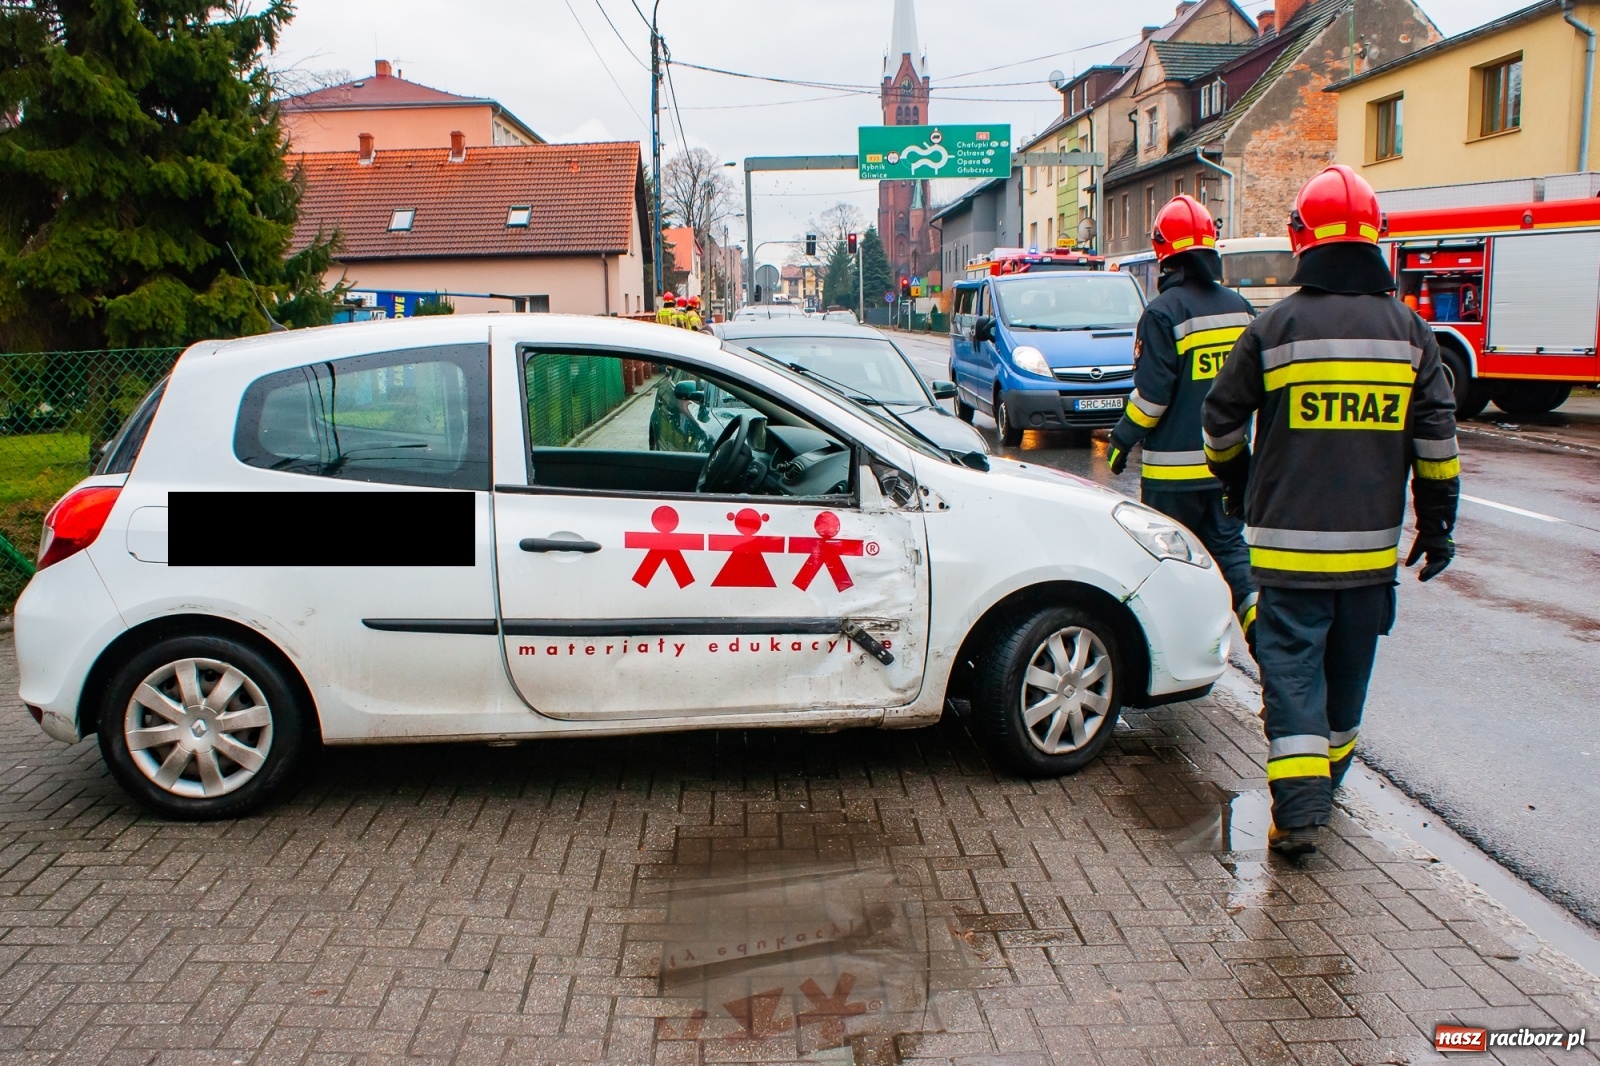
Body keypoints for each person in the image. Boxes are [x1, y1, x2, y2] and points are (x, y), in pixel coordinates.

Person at [1201, 164, 1459, 857]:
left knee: (1291, 684)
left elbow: (1220, 423)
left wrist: (1239, 483)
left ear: (1300, 240)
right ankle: (1328, 782)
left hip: (1286, 561)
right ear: (1376, 240)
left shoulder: (1275, 329)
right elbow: (1438, 443)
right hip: (1369, 565)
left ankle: (1303, 805)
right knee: (1345, 686)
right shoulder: (1411, 334)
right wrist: (1436, 526)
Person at [1108, 194, 1257, 646]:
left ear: (1163, 252)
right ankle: (1260, 631)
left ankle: (1180, 653)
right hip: (1228, 468)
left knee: (1168, 564)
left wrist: (1121, 438)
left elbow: (1153, 396)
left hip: (1172, 478)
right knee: (1233, 556)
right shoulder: (1241, 309)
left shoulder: (1162, 313)